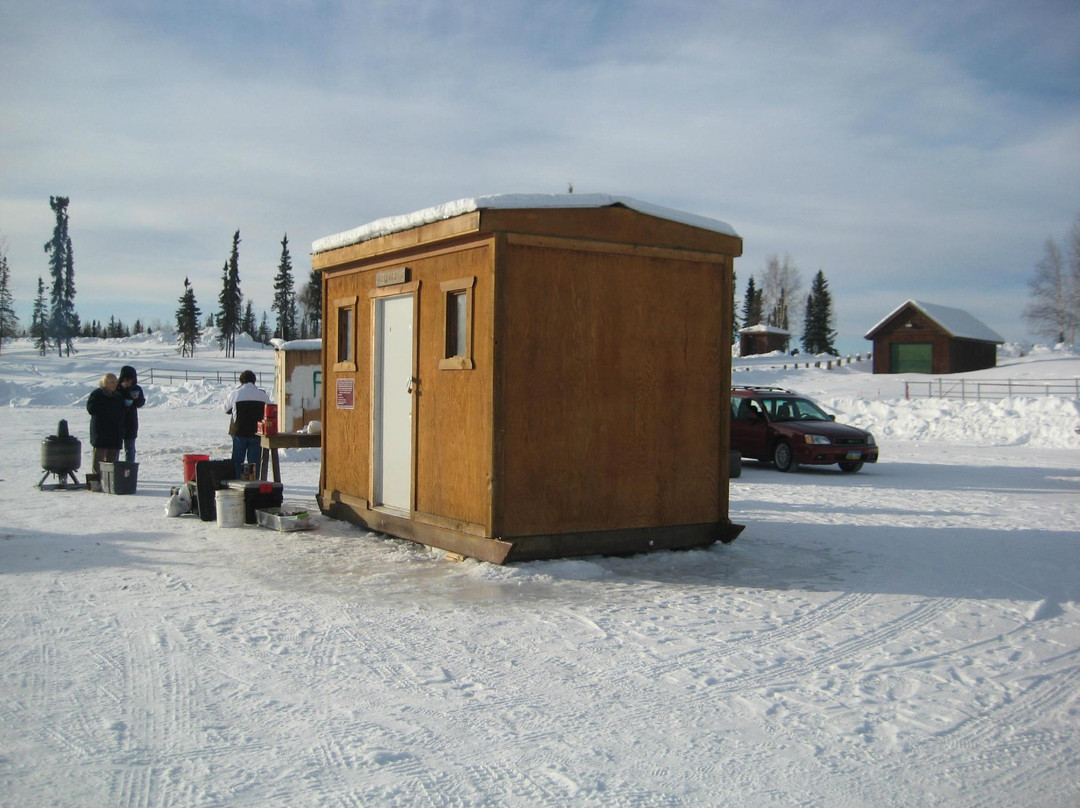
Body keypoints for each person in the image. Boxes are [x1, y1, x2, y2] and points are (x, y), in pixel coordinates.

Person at [223, 370, 270, 478]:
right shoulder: (262, 395)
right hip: (256, 432)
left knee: (237, 459)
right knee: (255, 460)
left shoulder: (235, 394)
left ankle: (237, 480)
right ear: (254, 381)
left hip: (239, 431)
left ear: (241, 381)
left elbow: (226, 409)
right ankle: (254, 481)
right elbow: (270, 408)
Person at [86, 372, 126, 478]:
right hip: (101, 431)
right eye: (112, 382)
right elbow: (91, 409)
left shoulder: (118, 396)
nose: (115, 384)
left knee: (112, 459)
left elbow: (122, 412)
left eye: (116, 382)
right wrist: (107, 410)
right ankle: (96, 479)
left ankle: (111, 479)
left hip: (115, 432)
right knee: (99, 458)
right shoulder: (97, 394)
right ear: (105, 383)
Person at [117, 365, 145, 464]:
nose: (129, 381)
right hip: (118, 421)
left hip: (131, 421)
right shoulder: (117, 388)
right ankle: (114, 468)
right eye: (126, 379)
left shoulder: (136, 388)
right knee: (115, 448)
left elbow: (141, 403)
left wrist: (136, 399)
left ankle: (129, 468)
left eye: (131, 379)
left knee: (130, 448)